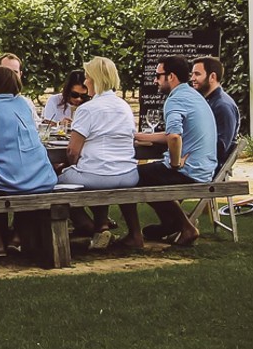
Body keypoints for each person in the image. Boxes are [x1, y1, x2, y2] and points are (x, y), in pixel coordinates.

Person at [127, 55, 218, 247]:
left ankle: (140, 235)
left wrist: (175, 163)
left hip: (189, 170)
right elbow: (173, 134)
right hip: (205, 168)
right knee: (148, 175)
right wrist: (140, 136)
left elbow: (175, 137)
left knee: (128, 176)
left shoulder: (175, 100)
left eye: (158, 76)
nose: (155, 80)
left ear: (171, 76)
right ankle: (170, 223)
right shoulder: (192, 95)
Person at [0, 64, 56, 255]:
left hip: (8, 180)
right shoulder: (23, 104)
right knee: (20, 185)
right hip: (42, 178)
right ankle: (16, 237)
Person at [56, 57, 140, 250]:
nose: (85, 82)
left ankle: (85, 224)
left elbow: (72, 150)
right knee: (97, 171)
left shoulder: (87, 109)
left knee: (53, 180)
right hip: (128, 174)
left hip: (98, 175)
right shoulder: (125, 106)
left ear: (95, 79)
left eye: (87, 77)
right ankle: (103, 226)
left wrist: (71, 165)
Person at [191, 56, 241, 166]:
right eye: (192, 74)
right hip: (199, 163)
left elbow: (221, 147)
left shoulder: (223, 106)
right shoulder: (210, 102)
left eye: (197, 74)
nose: (192, 78)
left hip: (204, 168)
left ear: (212, 77)